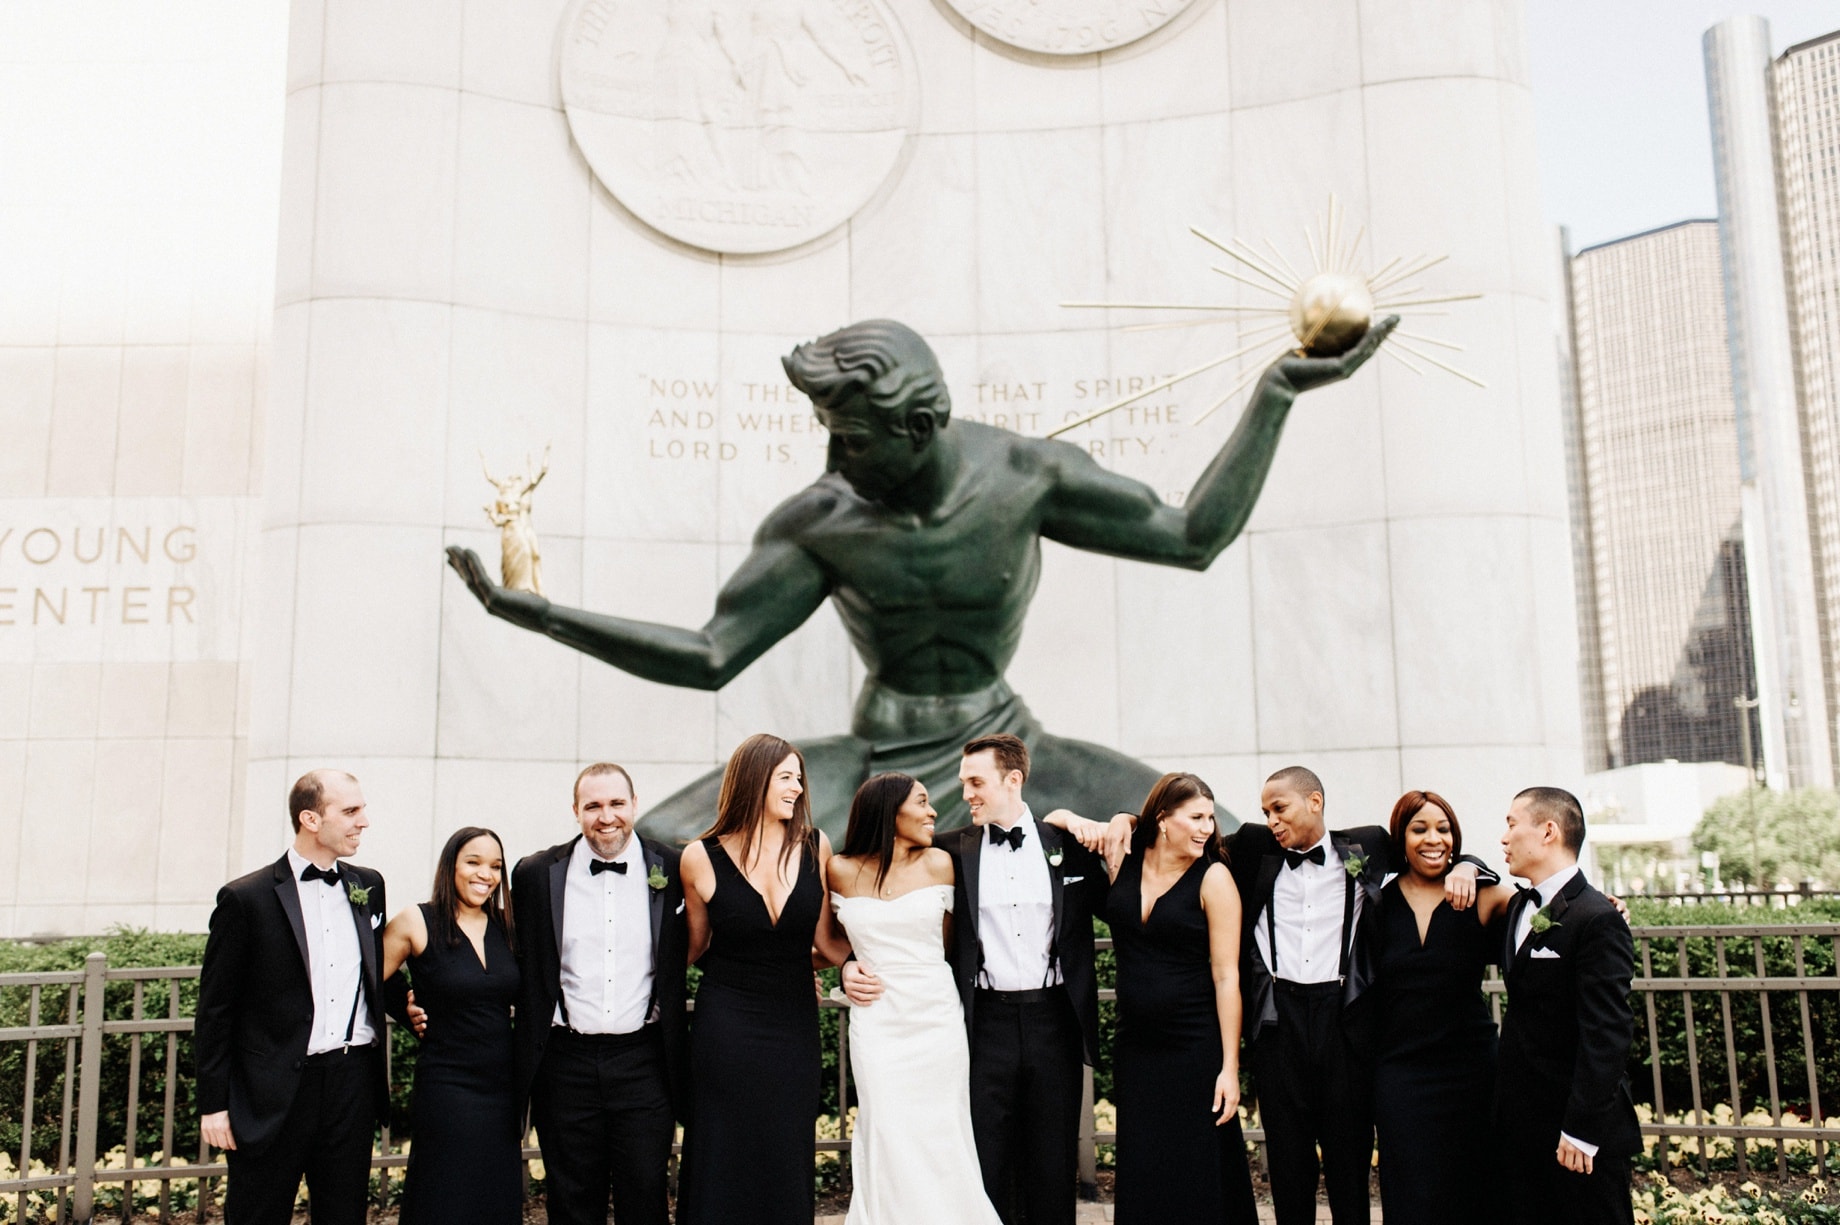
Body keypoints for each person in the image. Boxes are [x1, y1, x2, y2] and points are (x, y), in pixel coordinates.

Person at [446, 316, 1400, 844]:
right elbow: (709, 656)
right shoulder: (821, 519)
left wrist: (1276, 394)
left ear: (920, 424)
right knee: (660, 847)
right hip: (880, 762)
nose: (833, 453)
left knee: (1218, 842)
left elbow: (1194, 536)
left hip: (1012, 744)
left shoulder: (1026, 476)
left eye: (851, 434)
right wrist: (536, 613)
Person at [845, 733, 1108, 1225]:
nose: (965, 793)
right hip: (981, 1024)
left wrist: (1096, 820)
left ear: (1014, 780)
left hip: (1054, 1019)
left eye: (975, 782)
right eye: (965, 782)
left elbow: (1129, 879)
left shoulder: (1067, 845)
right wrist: (848, 962)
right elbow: (878, 905)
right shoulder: (948, 854)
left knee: (1052, 1162)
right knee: (984, 1159)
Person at [1223, 766, 1495, 1225]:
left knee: (1349, 1161)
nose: (1272, 819)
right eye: (1266, 811)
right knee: (1288, 1163)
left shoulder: (1367, 845)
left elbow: (1430, 846)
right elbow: (1192, 837)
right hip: (1277, 1021)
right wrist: (1127, 822)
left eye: (1280, 808)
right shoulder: (1254, 846)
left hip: (1343, 1020)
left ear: (1315, 802)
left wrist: (1469, 865)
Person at [194, 770, 391, 1225]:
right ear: (310, 819)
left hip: (351, 1082)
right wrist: (213, 1104)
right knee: (257, 1214)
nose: (364, 821)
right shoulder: (246, 899)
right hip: (274, 1090)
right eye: (350, 811)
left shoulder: (369, 885)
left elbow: (377, 969)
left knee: (343, 1215)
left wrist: (413, 1007)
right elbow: (215, 1011)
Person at [677, 734, 854, 1225]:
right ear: (754, 779)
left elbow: (827, 942)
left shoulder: (816, 847)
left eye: (799, 777)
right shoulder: (699, 856)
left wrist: (863, 963)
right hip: (726, 1025)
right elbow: (692, 949)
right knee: (722, 1147)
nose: (798, 787)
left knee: (785, 1145)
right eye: (786, 777)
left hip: (793, 1023)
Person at [508, 764, 689, 1225]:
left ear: (634, 804)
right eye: (593, 806)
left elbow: (709, 939)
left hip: (644, 1061)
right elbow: (510, 953)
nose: (605, 817)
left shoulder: (670, 867)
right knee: (571, 1201)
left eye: (615, 804)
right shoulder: (535, 874)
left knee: (646, 1197)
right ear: (576, 811)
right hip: (564, 1062)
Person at [827, 772, 1003, 1225]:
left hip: (935, 1018)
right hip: (877, 1019)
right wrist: (847, 966)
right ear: (890, 811)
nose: (933, 812)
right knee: (885, 1130)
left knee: (942, 1132)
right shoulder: (839, 869)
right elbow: (825, 941)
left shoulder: (940, 864)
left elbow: (945, 944)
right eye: (922, 802)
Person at [1098, 772, 1257, 1225]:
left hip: (1195, 1047)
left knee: (1197, 1168)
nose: (1207, 827)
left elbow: (1227, 976)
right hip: (1137, 1047)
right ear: (1164, 819)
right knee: (1143, 1165)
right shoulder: (1123, 858)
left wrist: (1230, 1068)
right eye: (1197, 817)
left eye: (1210, 817)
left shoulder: (1214, 877)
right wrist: (1115, 818)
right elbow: (1059, 822)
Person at [1495, 786, 1639, 1225]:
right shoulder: (1520, 905)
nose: (1503, 838)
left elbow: (1607, 1034)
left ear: (1549, 831)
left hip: (1577, 1134)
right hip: (1522, 1129)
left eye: (1511, 824)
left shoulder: (1597, 917)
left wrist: (1581, 1130)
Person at [1372, 790, 1515, 1225]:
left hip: (1470, 1069)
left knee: (1475, 1190)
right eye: (1420, 829)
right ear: (1401, 837)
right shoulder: (1375, 903)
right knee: (1411, 1192)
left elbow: (1547, 911)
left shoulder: (1481, 895)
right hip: (1400, 1072)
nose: (1434, 839)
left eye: (1443, 828)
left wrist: (1472, 865)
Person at [379, 827, 522, 1225]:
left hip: (503, 1088)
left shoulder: (507, 925)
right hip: (447, 1087)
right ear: (450, 866)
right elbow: (367, 980)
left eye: (495, 866)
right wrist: (404, 1005)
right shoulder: (416, 921)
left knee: (495, 1199)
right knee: (446, 1199)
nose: (486, 874)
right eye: (473, 862)